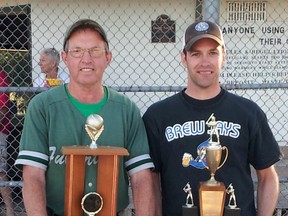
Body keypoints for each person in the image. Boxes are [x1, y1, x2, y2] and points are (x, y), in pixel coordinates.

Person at [15, 19, 156, 216]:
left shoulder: (127, 110)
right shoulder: (42, 107)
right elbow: (33, 176)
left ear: (108, 57)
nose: (86, 59)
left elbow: (140, 176)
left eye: (95, 50)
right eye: (77, 51)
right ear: (65, 58)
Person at [143, 20, 281, 216]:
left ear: (224, 56)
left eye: (213, 53)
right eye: (196, 54)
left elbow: (268, 176)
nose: (204, 62)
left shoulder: (248, 113)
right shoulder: (158, 116)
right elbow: (150, 181)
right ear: (184, 58)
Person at [0, 69, 14, 216]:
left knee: (0, 171)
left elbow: (3, 108)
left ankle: (10, 210)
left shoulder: (0, 76)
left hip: (0, 129)